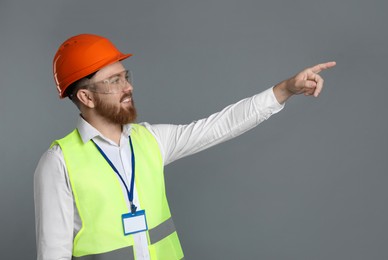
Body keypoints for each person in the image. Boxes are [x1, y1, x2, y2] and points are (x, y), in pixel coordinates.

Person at [34, 33, 336, 260]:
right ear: (86, 97)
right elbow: (53, 253)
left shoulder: (150, 139)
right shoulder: (59, 162)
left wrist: (284, 90)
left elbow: (220, 125)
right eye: (114, 81)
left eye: (126, 76)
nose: (128, 87)